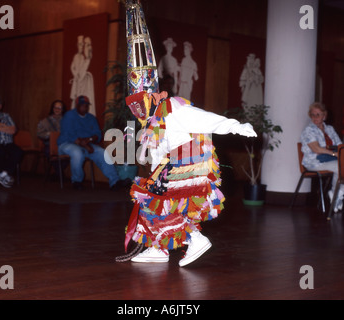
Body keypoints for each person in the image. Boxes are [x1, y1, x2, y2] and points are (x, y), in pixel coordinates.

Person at [117, 90, 256, 266]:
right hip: (174, 161)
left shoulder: (172, 108)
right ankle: (159, 247)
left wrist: (235, 127)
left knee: (164, 201)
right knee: (151, 198)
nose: (138, 111)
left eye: (141, 104)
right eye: (134, 108)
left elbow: (203, 119)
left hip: (190, 158)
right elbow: (158, 151)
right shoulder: (154, 121)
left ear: (152, 98)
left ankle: (194, 238)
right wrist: (155, 174)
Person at [57, 95, 130, 191]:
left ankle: (115, 181)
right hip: (67, 144)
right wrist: (86, 145)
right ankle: (77, 181)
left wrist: (90, 141)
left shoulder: (91, 118)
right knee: (77, 153)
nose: (84, 107)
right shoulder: (69, 115)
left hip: (86, 144)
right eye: (82, 105)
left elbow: (97, 134)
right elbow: (68, 134)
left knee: (103, 153)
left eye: (86, 105)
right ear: (77, 105)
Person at [301, 102, 343, 212]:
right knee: (341, 167)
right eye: (313, 115)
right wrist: (334, 154)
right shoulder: (308, 130)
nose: (315, 117)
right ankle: (336, 196)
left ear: (324, 116)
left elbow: (339, 145)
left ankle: (336, 194)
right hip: (314, 162)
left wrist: (339, 153)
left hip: (330, 159)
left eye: (318, 114)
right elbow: (316, 149)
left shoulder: (330, 129)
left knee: (341, 165)